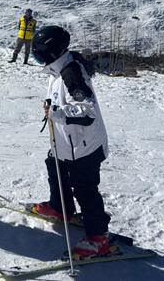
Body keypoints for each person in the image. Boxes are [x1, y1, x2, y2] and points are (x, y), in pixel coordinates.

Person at [30, 26, 111, 258]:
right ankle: (60, 207)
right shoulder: (58, 70)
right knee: (54, 166)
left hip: (84, 146)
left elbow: (87, 111)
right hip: (67, 142)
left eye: (39, 56)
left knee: (85, 188)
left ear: (52, 53)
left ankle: (98, 238)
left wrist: (57, 112)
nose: (38, 61)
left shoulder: (71, 73)